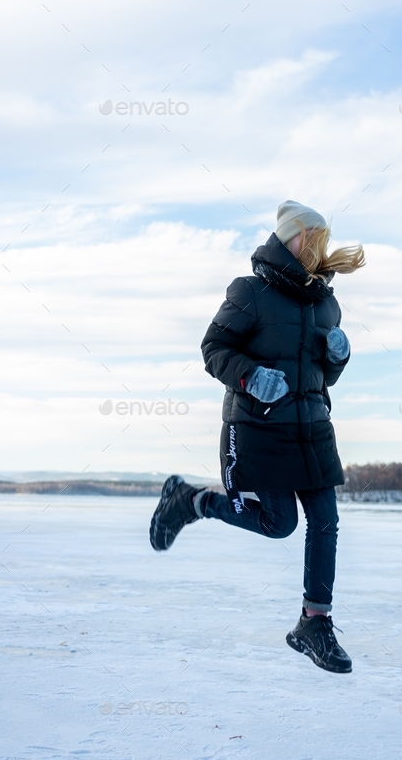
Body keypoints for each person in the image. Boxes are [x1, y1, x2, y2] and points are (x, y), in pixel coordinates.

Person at [149, 200, 365, 673]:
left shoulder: (326, 301)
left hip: (312, 428)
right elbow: (214, 348)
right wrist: (249, 376)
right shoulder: (251, 291)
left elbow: (322, 378)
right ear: (290, 238)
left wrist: (337, 358)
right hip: (259, 428)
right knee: (278, 522)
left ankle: (314, 623)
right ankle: (191, 500)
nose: (318, 248)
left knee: (325, 519)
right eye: (312, 238)